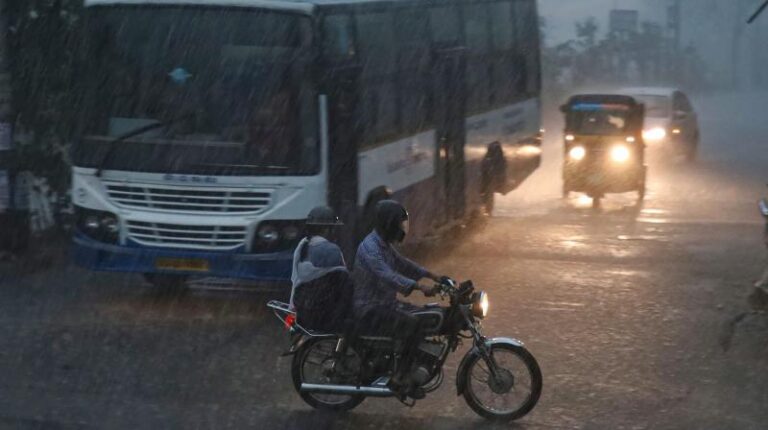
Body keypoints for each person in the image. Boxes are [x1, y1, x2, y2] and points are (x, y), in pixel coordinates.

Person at [352, 200, 445, 399]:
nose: (403, 229)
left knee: (423, 315)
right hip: (369, 308)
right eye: (400, 224)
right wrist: (419, 286)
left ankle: (410, 366)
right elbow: (387, 275)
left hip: (385, 303)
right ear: (389, 224)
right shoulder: (370, 249)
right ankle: (400, 378)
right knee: (411, 324)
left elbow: (403, 264)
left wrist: (435, 276)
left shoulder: (383, 244)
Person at [290, 206, 352, 333]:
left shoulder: (303, 245)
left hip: (303, 307)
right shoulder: (330, 249)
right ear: (326, 229)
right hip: (321, 313)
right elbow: (343, 282)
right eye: (333, 228)